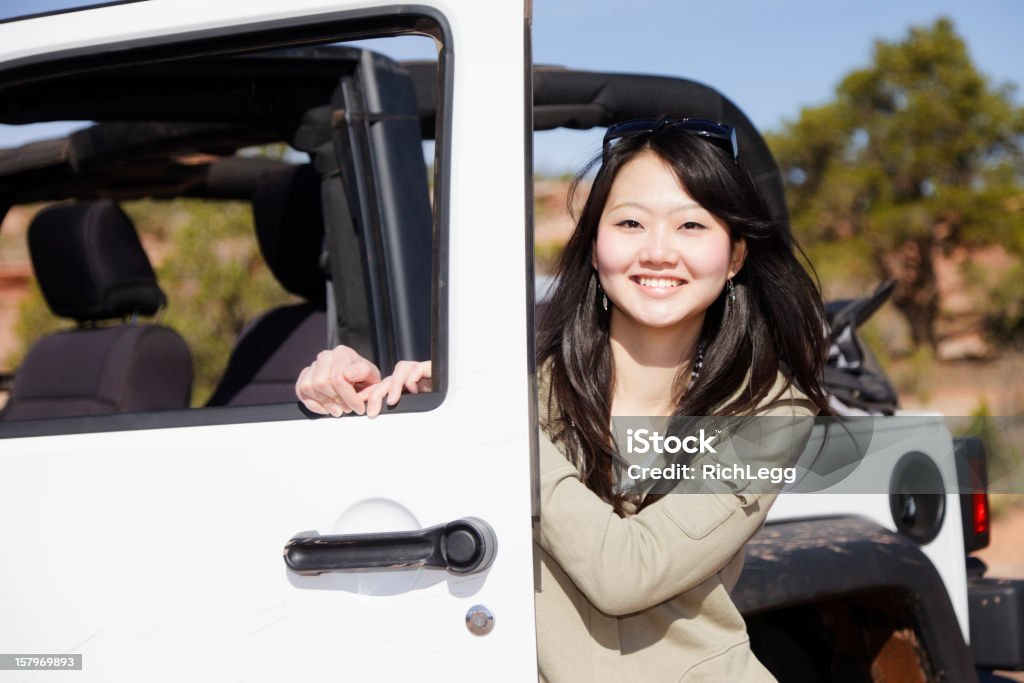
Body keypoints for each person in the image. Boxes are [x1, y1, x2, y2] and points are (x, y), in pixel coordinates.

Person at [295, 117, 832, 681]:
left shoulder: (770, 412)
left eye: (691, 226)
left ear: (736, 256)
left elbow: (626, 574)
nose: (657, 251)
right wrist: (336, 391)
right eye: (629, 222)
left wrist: (497, 424)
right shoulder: (525, 385)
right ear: (596, 245)